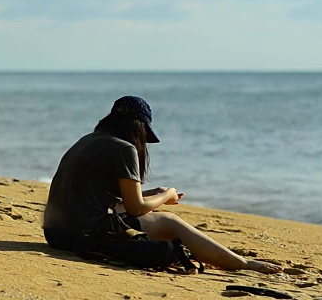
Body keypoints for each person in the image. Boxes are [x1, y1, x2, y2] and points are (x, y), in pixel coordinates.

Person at [43, 95, 283, 274]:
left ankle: (223, 257)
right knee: (169, 221)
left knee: (153, 217)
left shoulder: (88, 140)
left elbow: (107, 200)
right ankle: (241, 263)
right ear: (139, 128)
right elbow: (136, 209)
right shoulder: (123, 148)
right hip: (82, 233)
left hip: (56, 233)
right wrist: (166, 194)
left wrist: (153, 193)